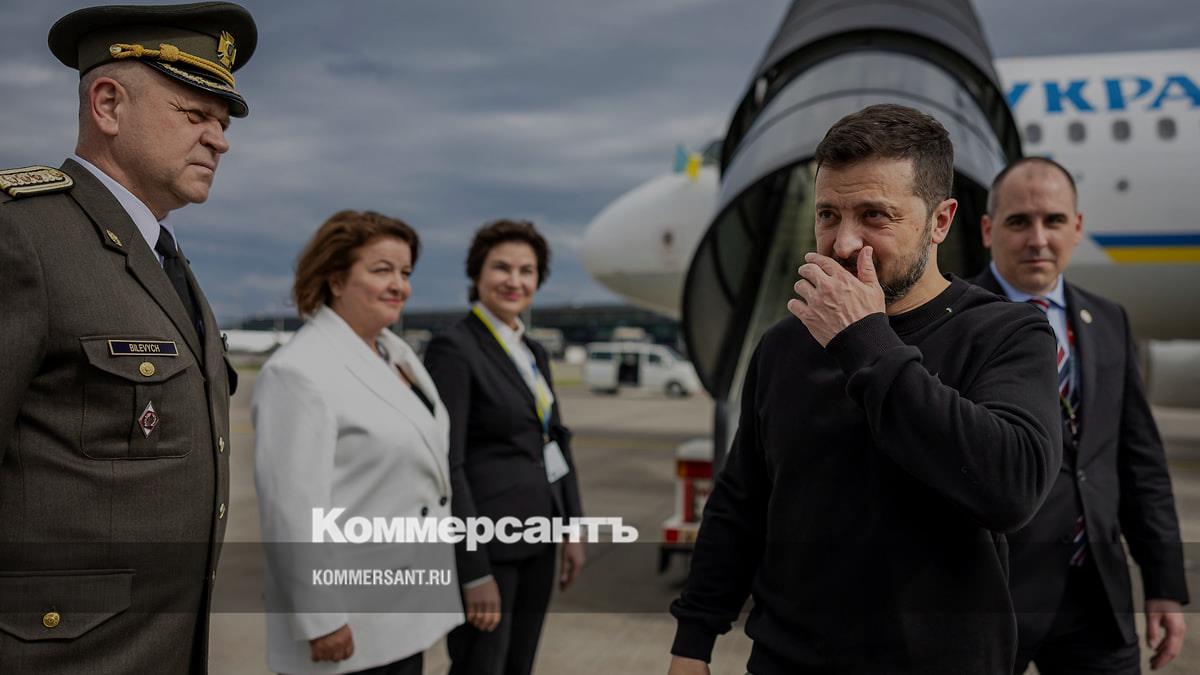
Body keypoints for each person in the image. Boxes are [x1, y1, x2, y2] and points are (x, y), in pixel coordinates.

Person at [667, 104, 1063, 675]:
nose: (844, 241)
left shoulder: (1006, 333)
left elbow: (1011, 489)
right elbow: (740, 503)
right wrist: (693, 641)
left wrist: (864, 341)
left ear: (941, 221)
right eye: (828, 215)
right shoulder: (784, 344)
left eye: (875, 215)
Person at [0, 3, 254, 672]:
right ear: (108, 104)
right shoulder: (21, 235)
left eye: (223, 124)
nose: (219, 141)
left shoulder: (163, 260)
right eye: (195, 115)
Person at [972, 157, 1189, 674]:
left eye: (1054, 221)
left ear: (1077, 227)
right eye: (1019, 222)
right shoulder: (958, 319)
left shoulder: (1109, 321)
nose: (1038, 239)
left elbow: (1140, 463)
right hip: (989, 597)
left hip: (1095, 593)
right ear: (987, 230)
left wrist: (1163, 584)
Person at [252, 210, 463, 675]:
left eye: (405, 272)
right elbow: (291, 511)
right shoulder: (299, 372)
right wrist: (321, 619)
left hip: (402, 607)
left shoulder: (396, 354)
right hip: (349, 617)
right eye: (382, 270)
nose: (399, 285)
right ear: (335, 279)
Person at [425, 219, 586, 675]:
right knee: (481, 665)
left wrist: (572, 526)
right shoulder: (454, 349)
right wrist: (473, 569)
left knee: (519, 665)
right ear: (477, 273)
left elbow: (555, 439)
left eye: (526, 271)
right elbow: (448, 464)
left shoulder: (533, 351)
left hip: (539, 537)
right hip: (490, 547)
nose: (514, 281)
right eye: (502, 267)